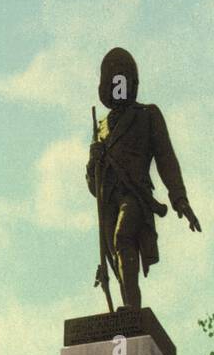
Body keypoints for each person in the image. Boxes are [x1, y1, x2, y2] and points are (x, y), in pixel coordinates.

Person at [86, 47, 201, 309]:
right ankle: (127, 309)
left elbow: (166, 159)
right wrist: (94, 160)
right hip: (109, 200)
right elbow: (94, 186)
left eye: (121, 79)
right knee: (116, 255)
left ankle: (132, 312)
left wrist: (180, 199)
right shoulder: (100, 129)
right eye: (112, 80)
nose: (117, 85)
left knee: (122, 238)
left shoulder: (147, 114)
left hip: (135, 195)